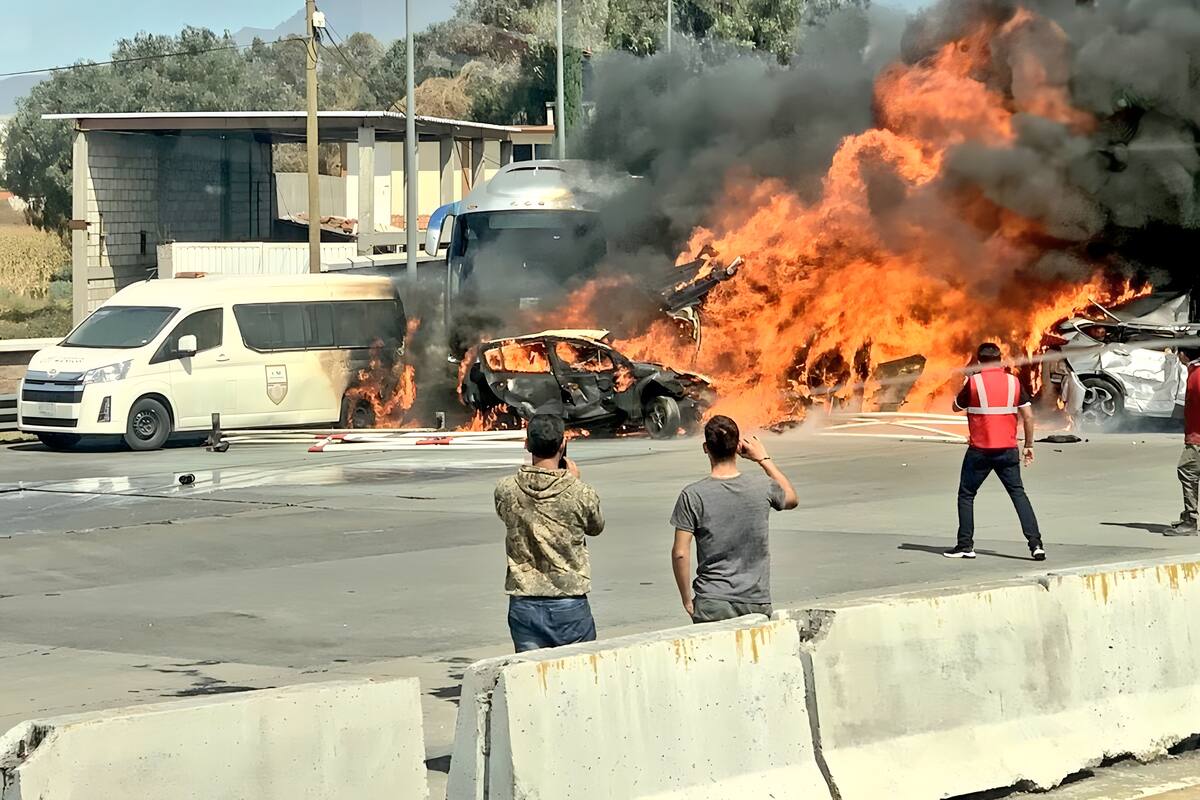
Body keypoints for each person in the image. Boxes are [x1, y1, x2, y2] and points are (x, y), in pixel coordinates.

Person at [670, 415, 799, 623]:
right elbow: (791, 498)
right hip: (755, 599)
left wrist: (687, 600)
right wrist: (763, 460)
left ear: (706, 448)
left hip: (712, 600)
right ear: (738, 446)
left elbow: (680, 553)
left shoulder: (692, 495)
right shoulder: (762, 486)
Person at [494, 413, 605, 652]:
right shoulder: (580, 492)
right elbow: (596, 527)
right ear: (562, 444)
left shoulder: (506, 489)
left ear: (527, 444)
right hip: (568, 598)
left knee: (531, 670)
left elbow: (505, 516)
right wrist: (572, 482)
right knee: (577, 667)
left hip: (524, 599)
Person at [945, 342, 1045, 561]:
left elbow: (955, 407)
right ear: (1000, 360)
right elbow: (1029, 417)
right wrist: (1029, 445)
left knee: (967, 495)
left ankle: (965, 545)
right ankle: (1036, 545)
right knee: (1018, 494)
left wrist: (963, 384)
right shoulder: (1013, 382)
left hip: (980, 451)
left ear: (979, 361)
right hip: (1008, 450)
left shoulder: (974, 382)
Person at [1167, 348, 1200, 536]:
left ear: (1184, 354)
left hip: (1197, 437)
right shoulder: (1194, 371)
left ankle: (1190, 520)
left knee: (1187, 471)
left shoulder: (1197, 375)